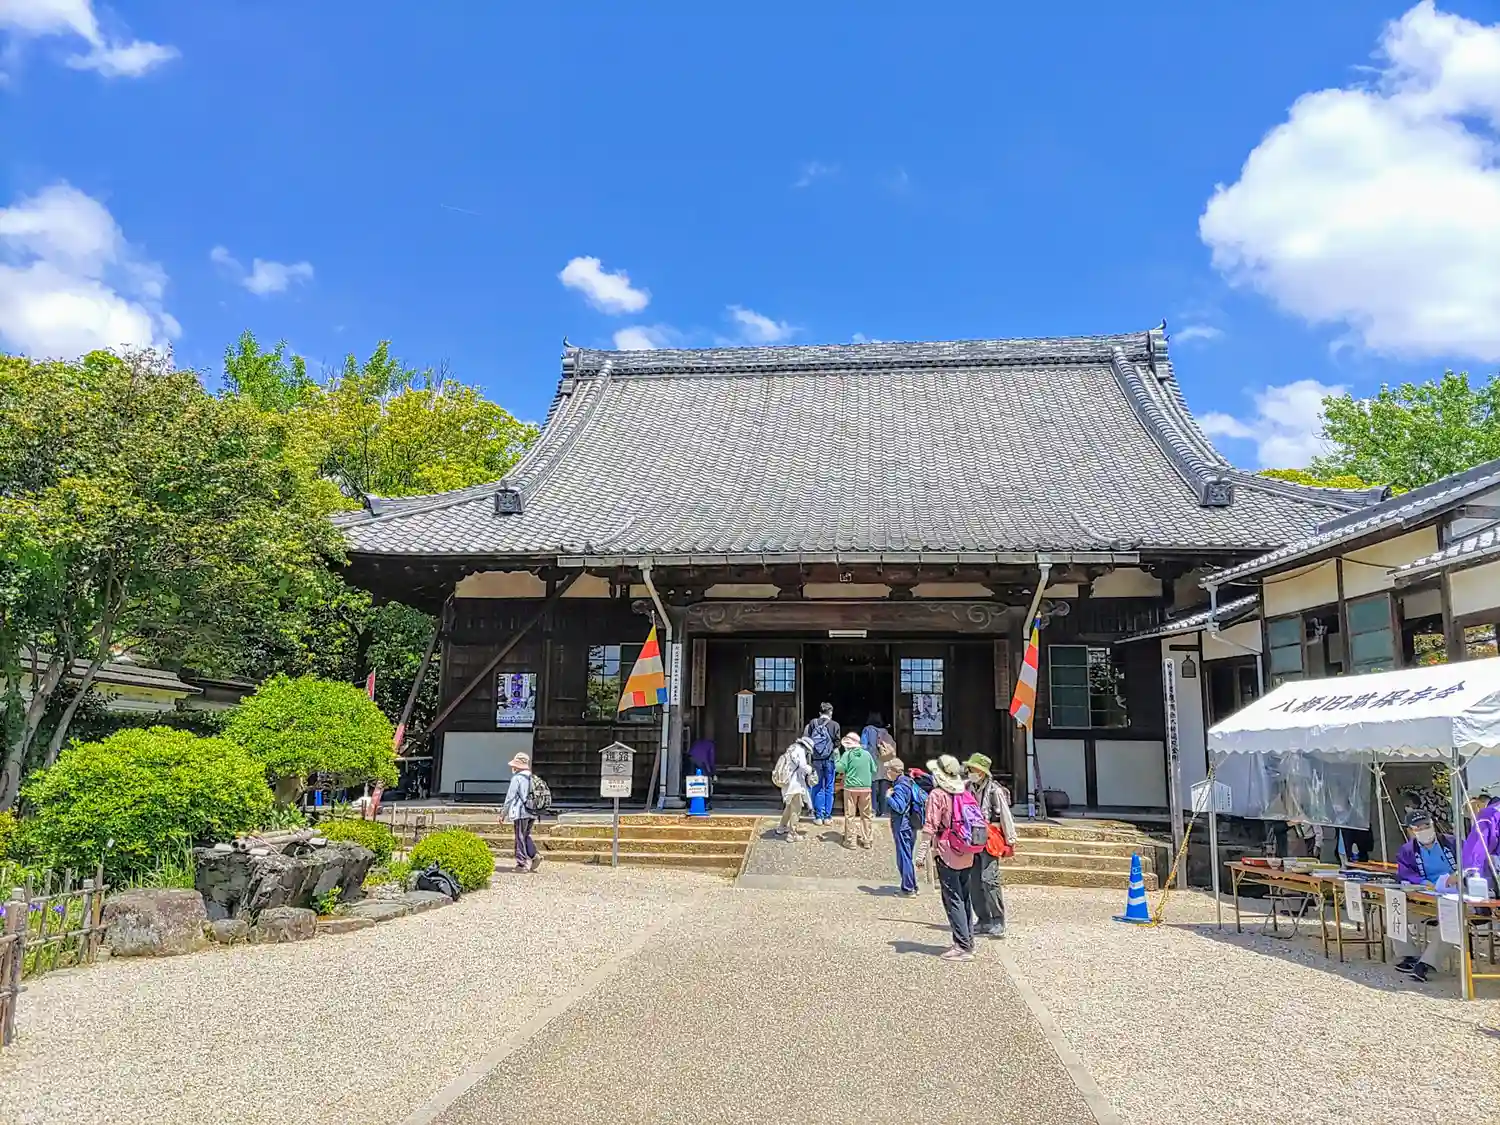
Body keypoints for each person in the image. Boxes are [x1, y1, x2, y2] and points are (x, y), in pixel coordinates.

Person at [922, 754, 981, 961]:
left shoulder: (937, 795)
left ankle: (962, 945)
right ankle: (968, 941)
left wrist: (921, 854)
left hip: (947, 851)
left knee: (952, 898)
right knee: (964, 897)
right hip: (966, 849)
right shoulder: (964, 793)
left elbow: (930, 825)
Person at [1393, 810, 1458, 982]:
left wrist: (1459, 875)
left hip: (1455, 896)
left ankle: (1426, 964)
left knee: (1453, 918)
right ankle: (1409, 956)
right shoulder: (1407, 850)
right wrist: (1422, 882)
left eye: (1426, 826)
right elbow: (1405, 872)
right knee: (1393, 908)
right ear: (1410, 831)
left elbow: (1471, 862)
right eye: (1418, 828)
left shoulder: (1453, 842)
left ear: (1433, 825)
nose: (1424, 830)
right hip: (1427, 897)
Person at [963, 754, 1016, 938]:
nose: (970, 772)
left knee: (989, 879)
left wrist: (1010, 839)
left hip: (989, 839)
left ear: (982, 772)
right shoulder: (966, 788)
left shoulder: (995, 791)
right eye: (970, 769)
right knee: (973, 881)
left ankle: (998, 919)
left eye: (974, 769)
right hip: (971, 838)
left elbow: (1005, 816)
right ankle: (983, 919)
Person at [883, 758, 925, 894]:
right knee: (907, 856)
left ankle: (908, 888)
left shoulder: (899, 786)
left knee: (903, 857)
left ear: (894, 771)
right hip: (911, 824)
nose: (887, 772)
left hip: (902, 825)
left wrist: (888, 797)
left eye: (888, 769)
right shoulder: (909, 781)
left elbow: (900, 807)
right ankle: (912, 885)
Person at [836, 732, 877, 849]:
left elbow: (839, 768)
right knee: (866, 815)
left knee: (850, 815)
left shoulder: (847, 755)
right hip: (866, 788)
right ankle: (867, 840)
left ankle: (850, 841)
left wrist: (837, 759)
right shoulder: (867, 754)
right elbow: (874, 769)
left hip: (850, 788)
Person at [502, 752, 541, 873]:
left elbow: (510, 797)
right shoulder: (533, 777)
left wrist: (503, 814)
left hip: (521, 811)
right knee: (525, 835)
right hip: (532, 811)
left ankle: (522, 864)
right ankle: (534, 855)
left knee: (519, 836)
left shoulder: (517, 778)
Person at [804, 702, 840, 825]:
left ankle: (818, 816)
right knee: (829, 787)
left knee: (817, 786)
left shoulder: (813, 723)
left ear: (820, 712)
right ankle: (827, 817)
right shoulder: (835, 725)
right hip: (829, 759)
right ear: (831, 712)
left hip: (816, 760)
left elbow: (808, 741)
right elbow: (837, 743)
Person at [775, 736, 816, 842]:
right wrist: (811, 770)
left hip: (787, 781)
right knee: (796, 808)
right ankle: (792, 834)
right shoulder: (800, 751)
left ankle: (782, 827)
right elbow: (803, 766)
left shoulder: (792, 748)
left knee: (789, 806)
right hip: (794, 784)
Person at [1460, 796, 1500, 896]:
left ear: (1477, 804)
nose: (1472, 817)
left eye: (1470, 811)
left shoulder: (1487, 815)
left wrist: (1469, 872)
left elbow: (1476, 847)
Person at [860, 713, 889, 813]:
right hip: (884, 762)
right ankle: (884, 811)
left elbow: (863, 746)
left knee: (872, 787)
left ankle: (873, 809)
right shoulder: (885, 731)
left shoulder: (867, 730)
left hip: (871, 761)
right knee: (883, 787)